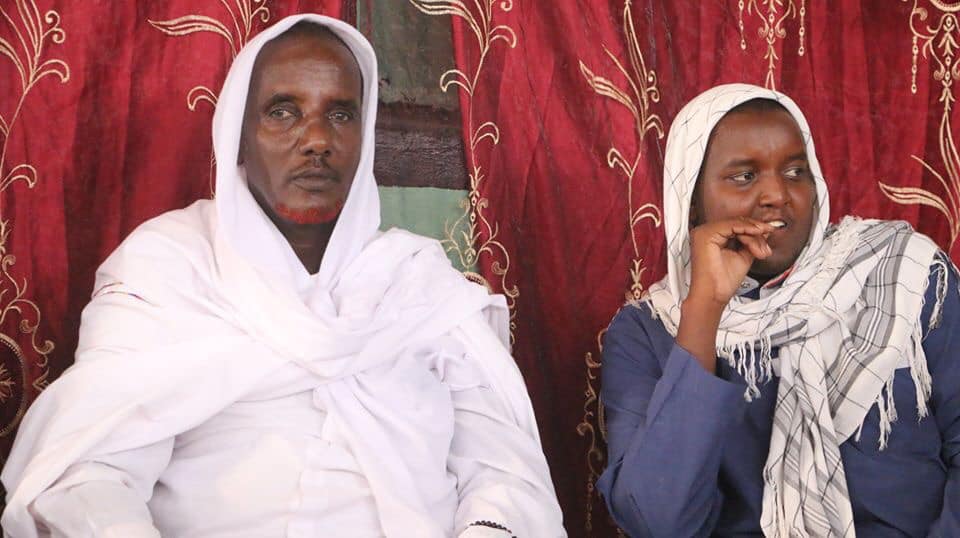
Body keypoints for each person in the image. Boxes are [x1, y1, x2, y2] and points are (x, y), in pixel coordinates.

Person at [1, 14, 565, 538]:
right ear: (238, 134)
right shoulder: (170, 267)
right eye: (283, 111)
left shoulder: (419, 283)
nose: (317, 139)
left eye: (340, 114)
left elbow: (505, 472)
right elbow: (89, 475)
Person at [597, 84, 960, 537]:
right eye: (744, 176)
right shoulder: (648, 330)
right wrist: (704, 310)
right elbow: (658, 522)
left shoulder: (903, 274)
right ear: (691, 200)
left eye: (794, 171)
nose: (776, 194)